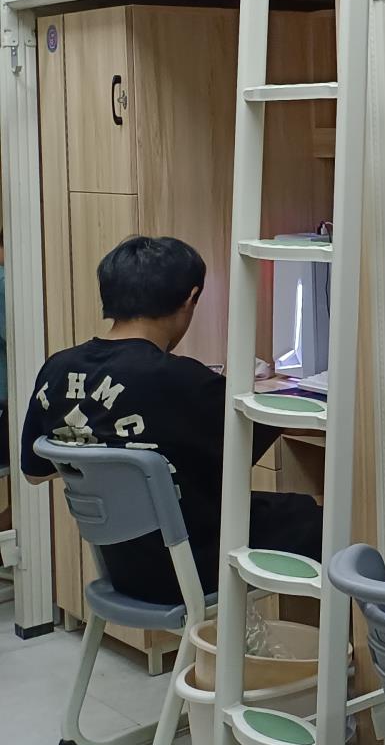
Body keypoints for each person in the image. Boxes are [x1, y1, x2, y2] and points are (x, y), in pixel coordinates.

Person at [15, 235, 321, 604]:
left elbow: (35, 473)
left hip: (122, 570)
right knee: (320, 519)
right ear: (191, 299)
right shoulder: (179, 380)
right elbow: (248, 442)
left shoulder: (56, 369)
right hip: (192, 567)